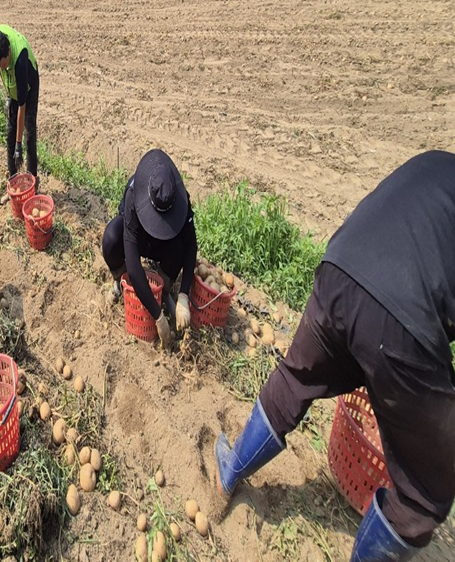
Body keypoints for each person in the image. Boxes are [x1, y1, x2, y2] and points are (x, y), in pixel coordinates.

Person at [215, 150, 455, 561]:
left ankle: (230, 468)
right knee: (424, 497)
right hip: (403, 313)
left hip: (341, 268)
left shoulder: (438, 164)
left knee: (295, 379)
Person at [101, 149, 198, 350]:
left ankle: (163, 287)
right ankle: (121, 279)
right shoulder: (133, 195)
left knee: (179, 246)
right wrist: (158, 317)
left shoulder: (181, 199)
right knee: (111, 237)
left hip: (163, 244)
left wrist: (184, 295)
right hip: (140, 239)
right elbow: (135, 265)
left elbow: (191, 245)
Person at [0, 24, 39, 180]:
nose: (1, 69)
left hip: (29, 87)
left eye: (3, 65)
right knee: (10, 130)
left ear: (9, 51)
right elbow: (0, 68)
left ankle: (32, 180)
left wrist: (19, 146)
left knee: (28, 135)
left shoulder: (20, 62)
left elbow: (22, 108)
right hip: (14, 88)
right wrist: (9, 95)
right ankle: (13, 176)